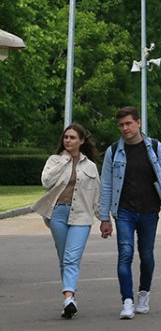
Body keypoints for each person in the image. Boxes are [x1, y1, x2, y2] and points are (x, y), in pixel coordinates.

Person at [99, 106, 161, 319]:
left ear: (138, 123)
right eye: (121, 125)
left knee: (146, 255)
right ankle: (127, 300)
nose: (125, 128)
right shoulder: (113, 151)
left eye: (128, 124)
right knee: (125, 254)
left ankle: (144, 293)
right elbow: (106, 185)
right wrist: (104, 217)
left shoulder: (154, 147)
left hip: (149, 211)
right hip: (123, 211)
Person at [32, 124, 100, 319]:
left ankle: (68, 298)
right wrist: (65, 161)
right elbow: (46, 181)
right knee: (64, 259)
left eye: (72, 138)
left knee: (71, 258)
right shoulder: (55, 160)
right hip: (57, 215)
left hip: (81, 216)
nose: (68, 141)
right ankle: (70, 299)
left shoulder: (90, 166)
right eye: (66, 137)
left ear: (82, 141)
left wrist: (104, 219)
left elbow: (97, 195)